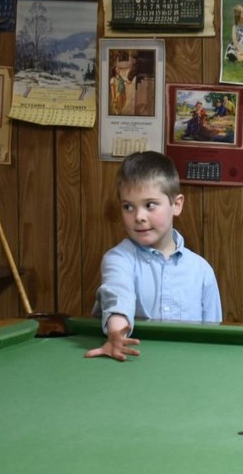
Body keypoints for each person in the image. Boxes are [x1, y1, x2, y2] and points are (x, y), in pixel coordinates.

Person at [86, 151, 222, 361]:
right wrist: (116, 334)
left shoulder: (201, 270)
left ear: (176, 205)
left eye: (149, 205)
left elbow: (213, 336)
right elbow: (119, 298)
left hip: (187, 367)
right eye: (128, 207)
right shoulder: (118, 259)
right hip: (132, 365)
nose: (139, 217)